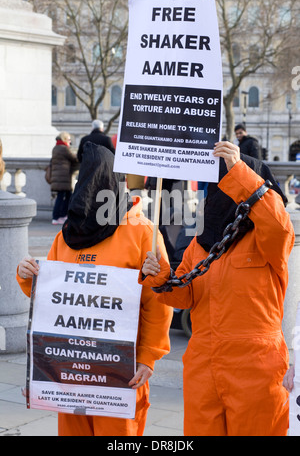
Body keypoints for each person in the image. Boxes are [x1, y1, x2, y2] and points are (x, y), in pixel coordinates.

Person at [16, 143, 172, 437]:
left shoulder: (143, 232)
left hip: (121, 369)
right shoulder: (67, 235)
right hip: (71, 368)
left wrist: (148, 357)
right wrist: (28, 277)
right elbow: (53, 297)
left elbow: (158, 301)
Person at [141, 140, 295, 436]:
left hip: (256, 365)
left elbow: (278, 225)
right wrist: (160, 276)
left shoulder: (268, 242)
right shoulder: (200, 245)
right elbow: (185, 295)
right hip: (203, 363)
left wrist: (239, 171)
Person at [51, 132, 78, 225]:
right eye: (69, 139)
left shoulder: (56, 148)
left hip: (58, 177)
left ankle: (61, 216)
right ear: (65, 139)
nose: (70, 142)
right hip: (63, 177)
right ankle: (57, 217)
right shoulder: (64, 149)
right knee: (63, 197)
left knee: (65, 196)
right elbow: (74, 158)